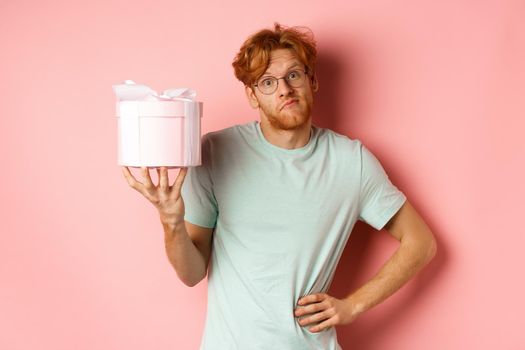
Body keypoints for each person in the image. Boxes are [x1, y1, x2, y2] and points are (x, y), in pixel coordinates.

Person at [122, 22, 437, 350]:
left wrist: (353, 306)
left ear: (312, 81)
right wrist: (171, 222)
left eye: (294, 75)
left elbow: (421, 243)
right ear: (252, 95)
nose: (284, 89)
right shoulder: (216, 152)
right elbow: (191, 273)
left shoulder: (351, 162)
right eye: (268, 82)